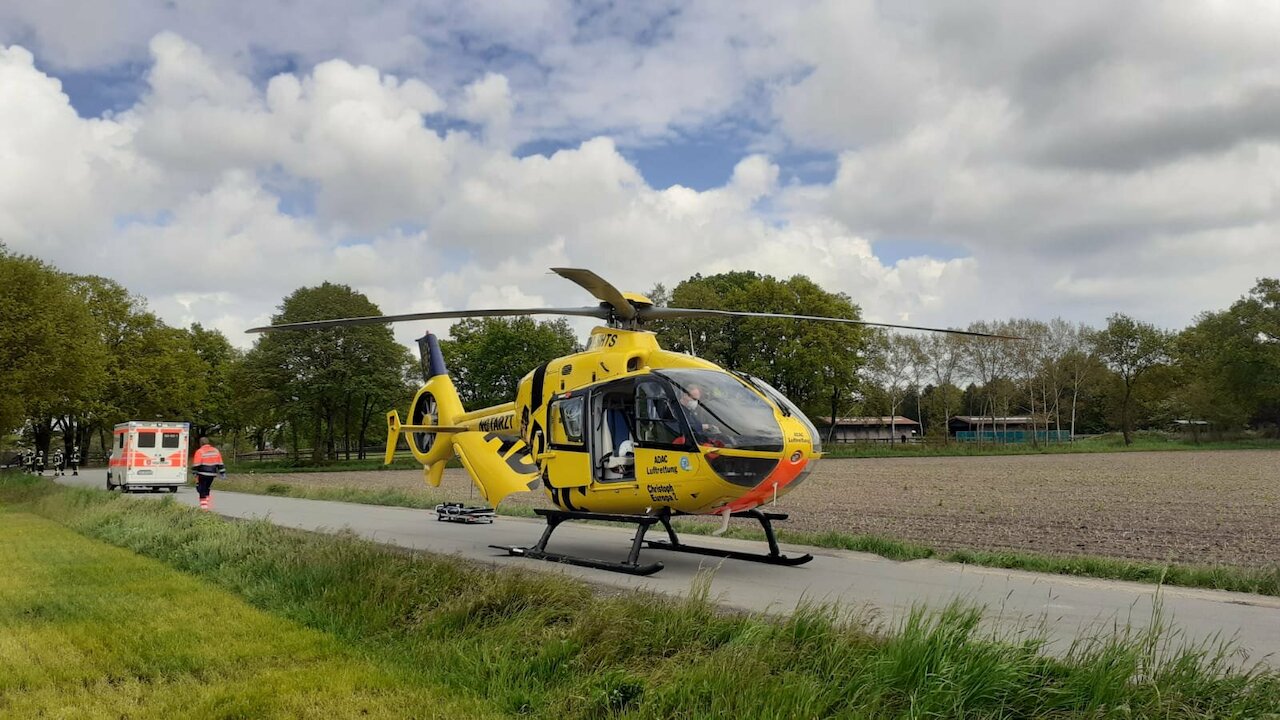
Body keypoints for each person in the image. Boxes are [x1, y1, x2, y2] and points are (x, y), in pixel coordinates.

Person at [191, 436, 227, 511]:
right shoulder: (215, 451)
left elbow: (196, 464)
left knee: (201, 489)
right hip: (212, 474)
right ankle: (206, 505)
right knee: (207, 488)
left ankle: (204, 508)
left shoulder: (200, 451)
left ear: (201, 443)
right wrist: (222, 472)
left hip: (202, 473)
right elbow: (220, 463)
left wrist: (194, 472)